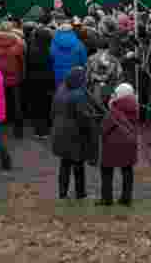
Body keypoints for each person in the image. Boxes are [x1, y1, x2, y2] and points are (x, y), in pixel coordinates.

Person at [51, 66, 94, 200]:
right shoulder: (78, 95)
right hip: (74, 135)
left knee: (64, 163)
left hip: (59, 132)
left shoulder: (60, 90)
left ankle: (62, 192)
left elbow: (52, 112)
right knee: (78, 164)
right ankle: (80, 193)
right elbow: (83, 118)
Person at [99, 83, 139, 206]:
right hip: (130, 142)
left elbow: (104, 127)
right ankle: (126, 198)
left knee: (106, 170)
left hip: (112, 144)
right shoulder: (135, 107)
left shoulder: (115, 107)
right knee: (127, 170)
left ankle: (107, 198)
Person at [0, 24, 27, 135]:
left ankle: (0, 125)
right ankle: (18, 128)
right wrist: (22, 75)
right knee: (16, 102)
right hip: (14, 76)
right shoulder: (19, 44)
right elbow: (21, 62)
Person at [25, 24, 56, 139]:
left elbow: (27, 65)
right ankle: (46, 129)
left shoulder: (31, 49)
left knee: (36, 105)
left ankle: (38, 130)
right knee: (46, 105)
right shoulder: (49, 51)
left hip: (34, 81)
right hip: (47, 80)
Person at [51, 21, 87, 88]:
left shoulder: (54, 43)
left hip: (59, 73)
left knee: (61, 92)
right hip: (74, 74)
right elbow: (84, 60)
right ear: (71, 30)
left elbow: (51, 57)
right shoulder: (78, 43)